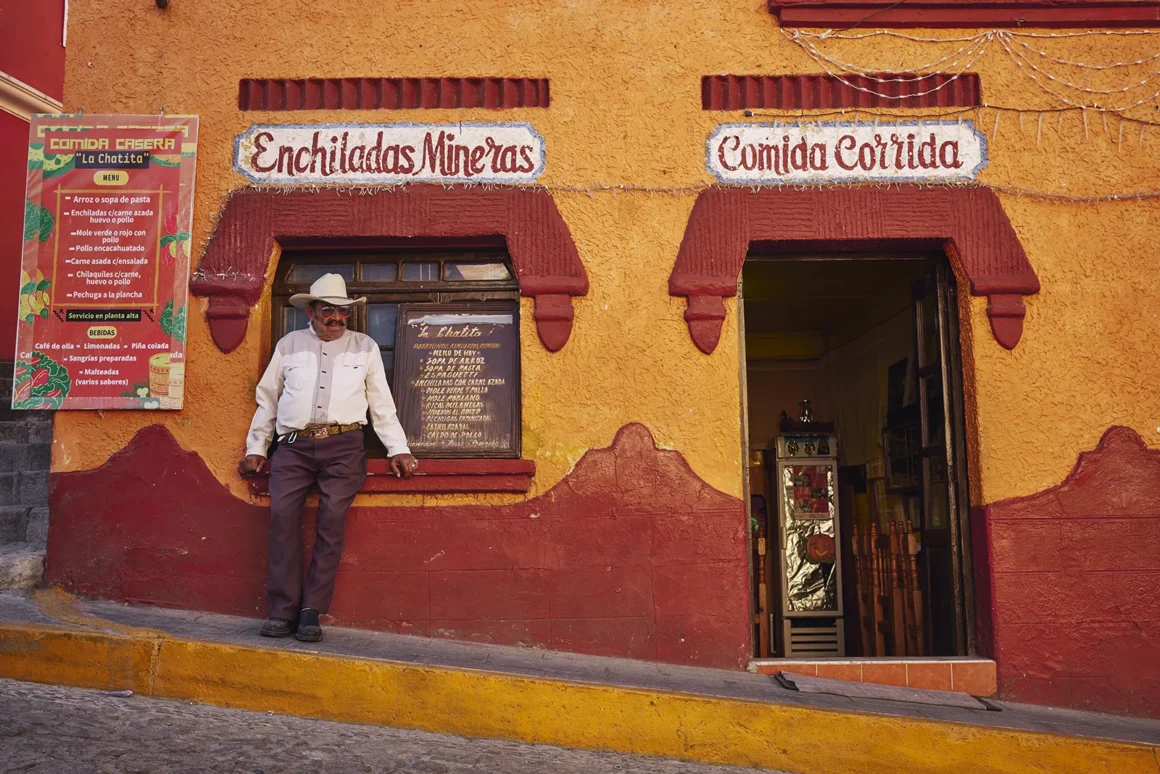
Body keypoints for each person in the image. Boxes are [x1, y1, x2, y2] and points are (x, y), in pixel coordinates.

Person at [238, 273, 417, 642]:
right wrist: (257, 448)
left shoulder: (364, 347)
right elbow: (268, 399)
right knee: (282, 517)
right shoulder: (289, 345)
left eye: (341, 312)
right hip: (292, 446)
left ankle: (310, 611)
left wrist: (397, 448)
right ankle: (282, 610)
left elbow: (381, 403)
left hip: (344, 445)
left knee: (331, 521)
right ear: (311, 311)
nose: (335, 318)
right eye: (328, 311)